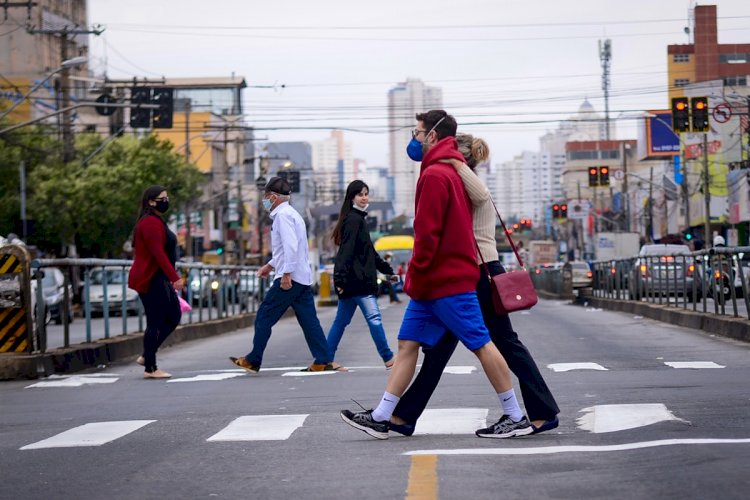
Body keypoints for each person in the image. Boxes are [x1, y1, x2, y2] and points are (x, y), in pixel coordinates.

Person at [340, 110, 532, 439]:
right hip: (437, 282)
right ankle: (382, 415)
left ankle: (515, 414)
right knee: (406, 344)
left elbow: (427, 235)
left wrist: (413, 275)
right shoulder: (447, 171)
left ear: (432, 136)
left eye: (417, 132)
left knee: (482, 344)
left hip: (446, 281)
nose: (413, 139)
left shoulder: (435, 175)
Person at [389, 133, 560, 437]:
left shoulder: (464, 177)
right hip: (465, 272)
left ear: (459, 156)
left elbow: (481, 195)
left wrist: (451, 158)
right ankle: (403, 417)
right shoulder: (454, 179)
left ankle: (542, 413)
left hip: (482, 272)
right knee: (440, 350)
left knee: (504, 343)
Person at [229, 176, 342, 373]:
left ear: (273, 197)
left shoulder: (282, 216)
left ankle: (253, 359)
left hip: (290, 277)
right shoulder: (293, 214)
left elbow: (291, 247)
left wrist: (286, 274)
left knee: (264, 315)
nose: (264, 200)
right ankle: (323, 359)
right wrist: (270, 266)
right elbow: (288, 249)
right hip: (301, 276)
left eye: (266, 196)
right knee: (309, 320)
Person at [326, 180, 396, 370]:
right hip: (358, 282)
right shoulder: (354, 220)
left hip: (353, 281)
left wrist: (387, 271)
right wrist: (339, 279)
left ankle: (325, 359)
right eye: (360, 194)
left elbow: (368, 252)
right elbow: (346, 252)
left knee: (340, 322)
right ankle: (388, 357)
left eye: (366, 193)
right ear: (352, 197)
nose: (364, 197)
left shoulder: (356, 219)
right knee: (374, 319)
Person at [128, 185, 184, 379]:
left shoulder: (156, 221)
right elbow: (158, 254)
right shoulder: (150, 223)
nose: (166, 201)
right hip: (151, 277)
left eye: (167, 197)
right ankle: (150, 368)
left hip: (158, 277)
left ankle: (147, 354)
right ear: (151, 202)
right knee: (156, 321)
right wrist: (174, 278)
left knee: (173, 316)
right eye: (162, 198)